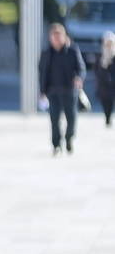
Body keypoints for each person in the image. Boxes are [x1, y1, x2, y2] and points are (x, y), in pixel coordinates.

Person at [38, 23, 86, 155]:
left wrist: (79, 78)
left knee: (71, 118)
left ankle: (69, 138)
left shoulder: (72, 51)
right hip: (52, 91)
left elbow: (81, 68)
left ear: (64, 37)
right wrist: (42, 91)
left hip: (69, 91)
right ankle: (56, 145)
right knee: (54, 119)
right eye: (53, 36)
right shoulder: (46, 53)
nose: (56, 39)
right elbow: (42, 72)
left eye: (58, 36)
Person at [95, 31, 115, 127]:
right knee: (104, 101)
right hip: (102, 84)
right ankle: (106, 116)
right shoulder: (100, 56)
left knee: (110, 101)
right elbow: (96, 69)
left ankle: (109, 118)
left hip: (112, 84)